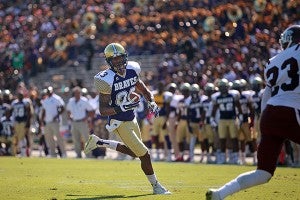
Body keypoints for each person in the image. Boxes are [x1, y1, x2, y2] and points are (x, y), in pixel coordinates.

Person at [206, 24, 300, 200]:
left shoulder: (273, 61)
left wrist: (266, 127)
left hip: (270, 114)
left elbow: (267, 94)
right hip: (292, 109)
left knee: (263, 173)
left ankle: (220, 193)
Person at [84, 43, 171, 195]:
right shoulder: (106, 79)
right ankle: (156, 186)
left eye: (120, 58)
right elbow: (103, 110)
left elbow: (144, 89)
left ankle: (99, 142)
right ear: (109, 61)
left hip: (132, 117)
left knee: (135, 153)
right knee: (145, 154)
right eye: (114, 59)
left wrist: (151, 102)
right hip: (118, 121)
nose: (118, 62)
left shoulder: (132, 70)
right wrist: (121, 108)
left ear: (125, 57)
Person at [66, 86, 95, 158]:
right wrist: (70, 117)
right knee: (76, 140)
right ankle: (78, 155)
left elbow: (91, 110)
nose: (77, 94)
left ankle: (88, 155)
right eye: (75, 93)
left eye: (78, 93)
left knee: (86, 139)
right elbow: (68, 110)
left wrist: (86, 118)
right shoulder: (71, 101)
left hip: (82, 122)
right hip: (74, 122)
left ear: (80, 93)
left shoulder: (84, 100)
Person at [41, 86, 66, 158]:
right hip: (47, 121)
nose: (48, 92)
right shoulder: (45, 100)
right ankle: (52, 153)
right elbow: (43, 111)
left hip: (55, 122)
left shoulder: (57, 98)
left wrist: (57, 115)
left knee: (59, 138)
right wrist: (42, 120)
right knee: (49, 138)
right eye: (47, 91)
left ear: (52, 91)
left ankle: (64, 153)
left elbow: (62, 108)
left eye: (49, 91)